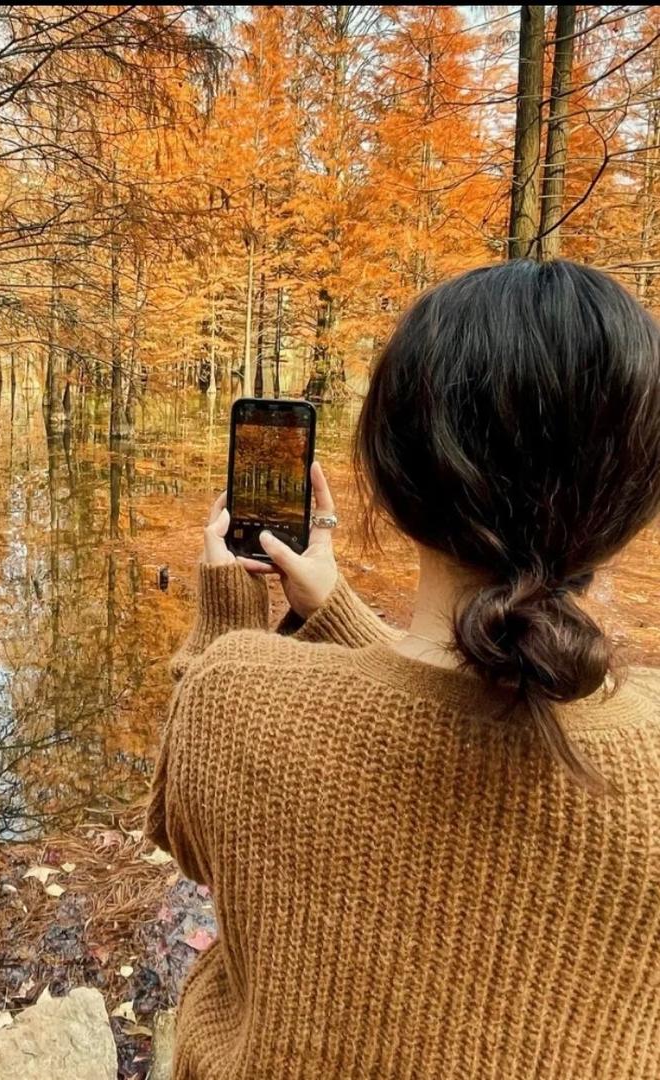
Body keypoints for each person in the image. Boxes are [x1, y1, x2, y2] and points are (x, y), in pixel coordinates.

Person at [147, 259, 660, 1079]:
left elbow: (190, 831)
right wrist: (336, 613)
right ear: (633, 500)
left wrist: (226, 625)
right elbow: (449, 701)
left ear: (389, 476)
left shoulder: (237, 693)